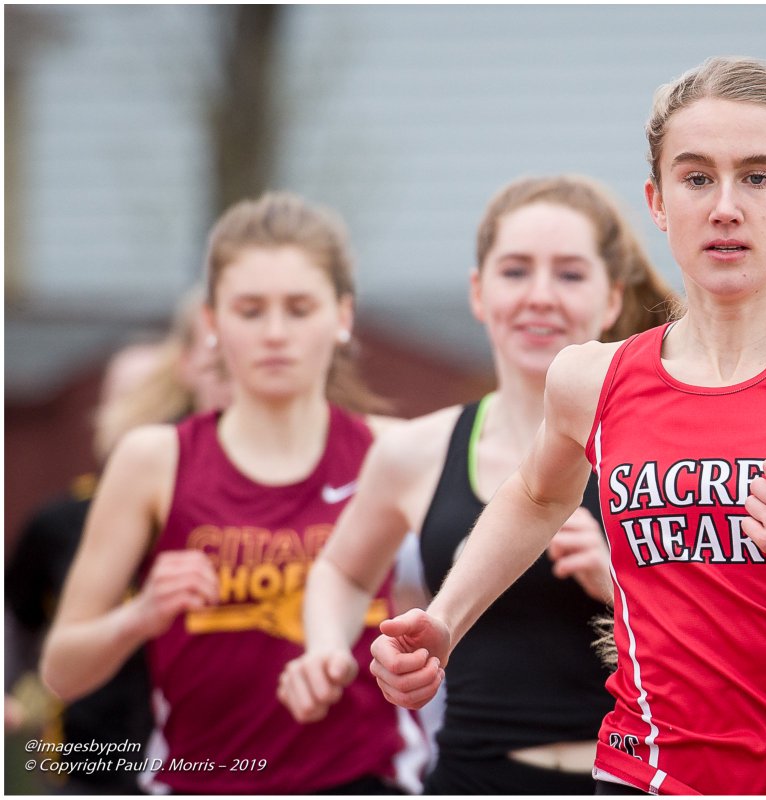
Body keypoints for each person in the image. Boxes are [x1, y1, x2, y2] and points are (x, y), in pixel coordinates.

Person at [363, 56, 766, 796]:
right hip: (639, 777)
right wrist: (446, 621)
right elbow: (536, 497)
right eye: (696, 178)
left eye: (757, 176)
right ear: (657, 200)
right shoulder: (593, 378)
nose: (725, 206)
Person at [277, 174, 677, 794]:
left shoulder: (666, 449)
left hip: (636, 777)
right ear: (478, 292)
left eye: (570, 275)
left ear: (610, 299)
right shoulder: (418, 451)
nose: (540, 296)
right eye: (515, 271)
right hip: (472, 773)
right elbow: (343, 572)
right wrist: (326, 649)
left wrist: (618, 585)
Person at [40, 192, 417, 794]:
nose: (274, 333)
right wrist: (140, 617)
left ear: (343, 316)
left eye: (299, 308)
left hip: (361, 778)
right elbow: (61, 671)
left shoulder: (394, 452)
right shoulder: (153, 460)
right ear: (212, 324)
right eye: (249, 309)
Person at [5, 290, 230, 795]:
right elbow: (17, 616)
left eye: (157, 397)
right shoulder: (61, 520)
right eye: (126, 396)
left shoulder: (217, 512)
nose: (145, 414)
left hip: (203, 759)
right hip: (90, 760)